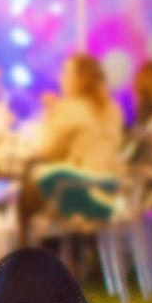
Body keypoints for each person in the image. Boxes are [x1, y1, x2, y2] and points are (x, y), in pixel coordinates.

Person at [30, 53, 127, 222]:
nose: (61, 78)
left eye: (65, 73)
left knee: (32, 182)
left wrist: (50, 113)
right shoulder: (114, 109)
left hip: (82, 188)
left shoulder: (70, 107)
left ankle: (28, 236)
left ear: (79, 79)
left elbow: (46, 150)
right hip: (113, 187)